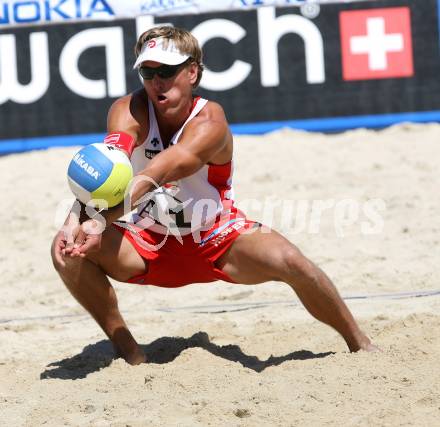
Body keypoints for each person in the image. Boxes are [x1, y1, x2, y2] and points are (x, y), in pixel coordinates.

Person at [51, 26, 377, 365]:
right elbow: (109, 173)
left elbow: (155, 174)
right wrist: (76, 219)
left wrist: (101, 218)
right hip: (148, 241)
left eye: (166, 71)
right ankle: (131, 354)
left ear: (192, 72)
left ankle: (360, 344)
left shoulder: (210, 122)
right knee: (64, 250)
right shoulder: (127, 110)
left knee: (294, 263)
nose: (156, 81)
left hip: (218, 238)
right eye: (148, 72)